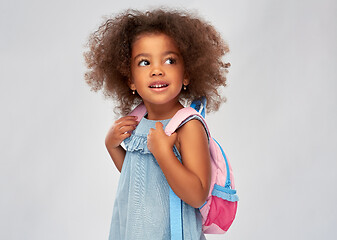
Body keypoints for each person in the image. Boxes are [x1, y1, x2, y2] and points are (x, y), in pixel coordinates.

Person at [84, 8, 230, 240]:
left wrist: (164, 154)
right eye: (144, 62)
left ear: (186, 74)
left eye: (170, 60)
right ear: (130, 79)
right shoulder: (138, 120)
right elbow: (139, 179)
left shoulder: (187, 126)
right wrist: (113, 147)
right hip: (136, 229)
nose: (157, 70)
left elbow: (197, 195)